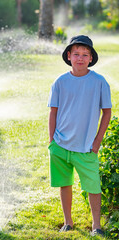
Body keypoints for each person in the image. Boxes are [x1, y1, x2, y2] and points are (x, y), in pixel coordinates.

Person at [48, 35, 112, 236]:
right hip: (60, 146)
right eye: (76, 54)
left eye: (85, 54)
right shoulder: (60, 81)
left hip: (86, 147)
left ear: (91, 58)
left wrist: (97, 141)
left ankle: (96, 226)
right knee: (64, 184)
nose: (80, 58)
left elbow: (107, 112)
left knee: (93, 187)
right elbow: (53, 111)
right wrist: (52, 141)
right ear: (69, 56)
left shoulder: (99, 82)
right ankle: (68, 222)